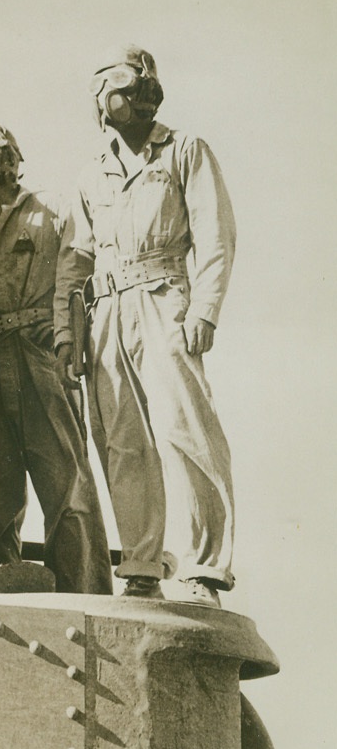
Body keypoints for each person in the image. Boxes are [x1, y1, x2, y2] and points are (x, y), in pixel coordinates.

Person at [54, 46, 236, 607]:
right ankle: (141, 567)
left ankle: (206, 570)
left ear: (140, 95)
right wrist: (66, 331)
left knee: (186, 431)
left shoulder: (184, 151)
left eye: (119, 92)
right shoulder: (93, 172)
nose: (109, 105)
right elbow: (73, 261)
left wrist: (204, 309)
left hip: (164, 301)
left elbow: (215, 234)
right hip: (107, 312)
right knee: (124, 443)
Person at [0, 122, 112, 594]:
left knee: (63, 475)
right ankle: (4, 569)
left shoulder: (51, 208)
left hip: (38, 355)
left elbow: (80, 268)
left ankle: (83, 586)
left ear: (4, 158)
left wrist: (63, 328)